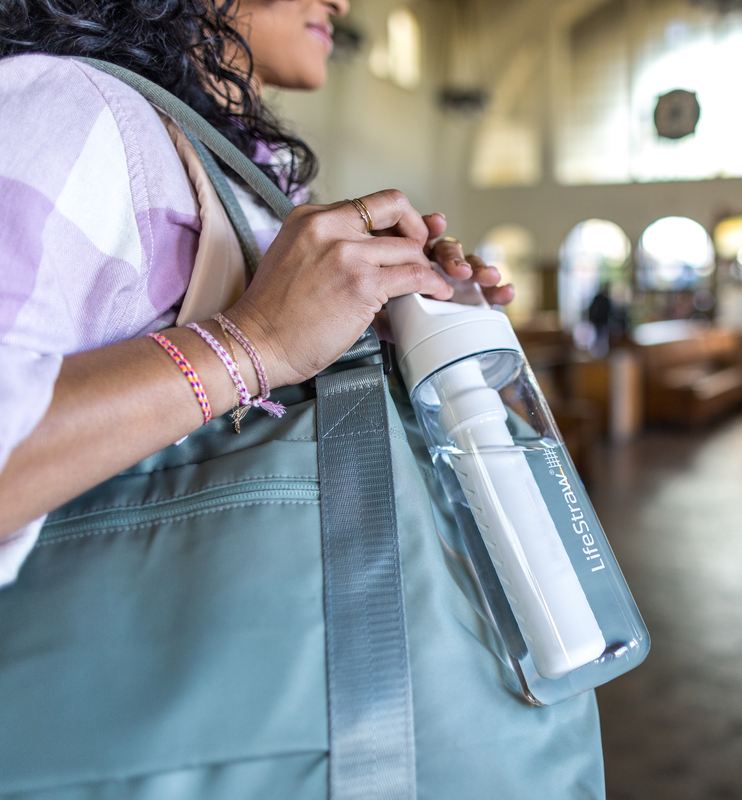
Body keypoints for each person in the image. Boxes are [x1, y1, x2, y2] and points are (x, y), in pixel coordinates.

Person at [0, 0, 513, 583]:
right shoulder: (74, 110)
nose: (341, 4)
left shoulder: (235, 173)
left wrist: (397, 316)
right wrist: (252, 342)